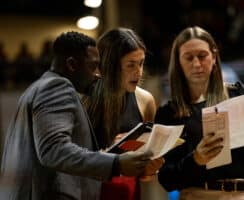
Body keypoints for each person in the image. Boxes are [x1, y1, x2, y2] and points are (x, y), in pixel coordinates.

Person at [0, 31, 153, 200]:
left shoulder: (36, 88)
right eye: (93, 66)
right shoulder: (57, 87)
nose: (97, 74)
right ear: (72, 64)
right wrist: (116, 163)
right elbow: (54, 150)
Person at [154, 26, 244, 200]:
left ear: (214, 56)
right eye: (189, 58)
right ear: (178, 62)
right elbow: (167, 179)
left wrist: (237, 133)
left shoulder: (236, 94)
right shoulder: (169, 114)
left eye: (202, 56)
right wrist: (195, 160)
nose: (197, 64)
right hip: (200, 194)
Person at [83, 28, 167, 200]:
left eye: (141, 63)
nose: (138, 71)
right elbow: (66, 162)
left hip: (128, 192)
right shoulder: (84, 100)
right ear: (110, 65)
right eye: (131, 65)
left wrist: (149, 168)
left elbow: (145, 175)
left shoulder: (146, 100)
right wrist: (109, 155)